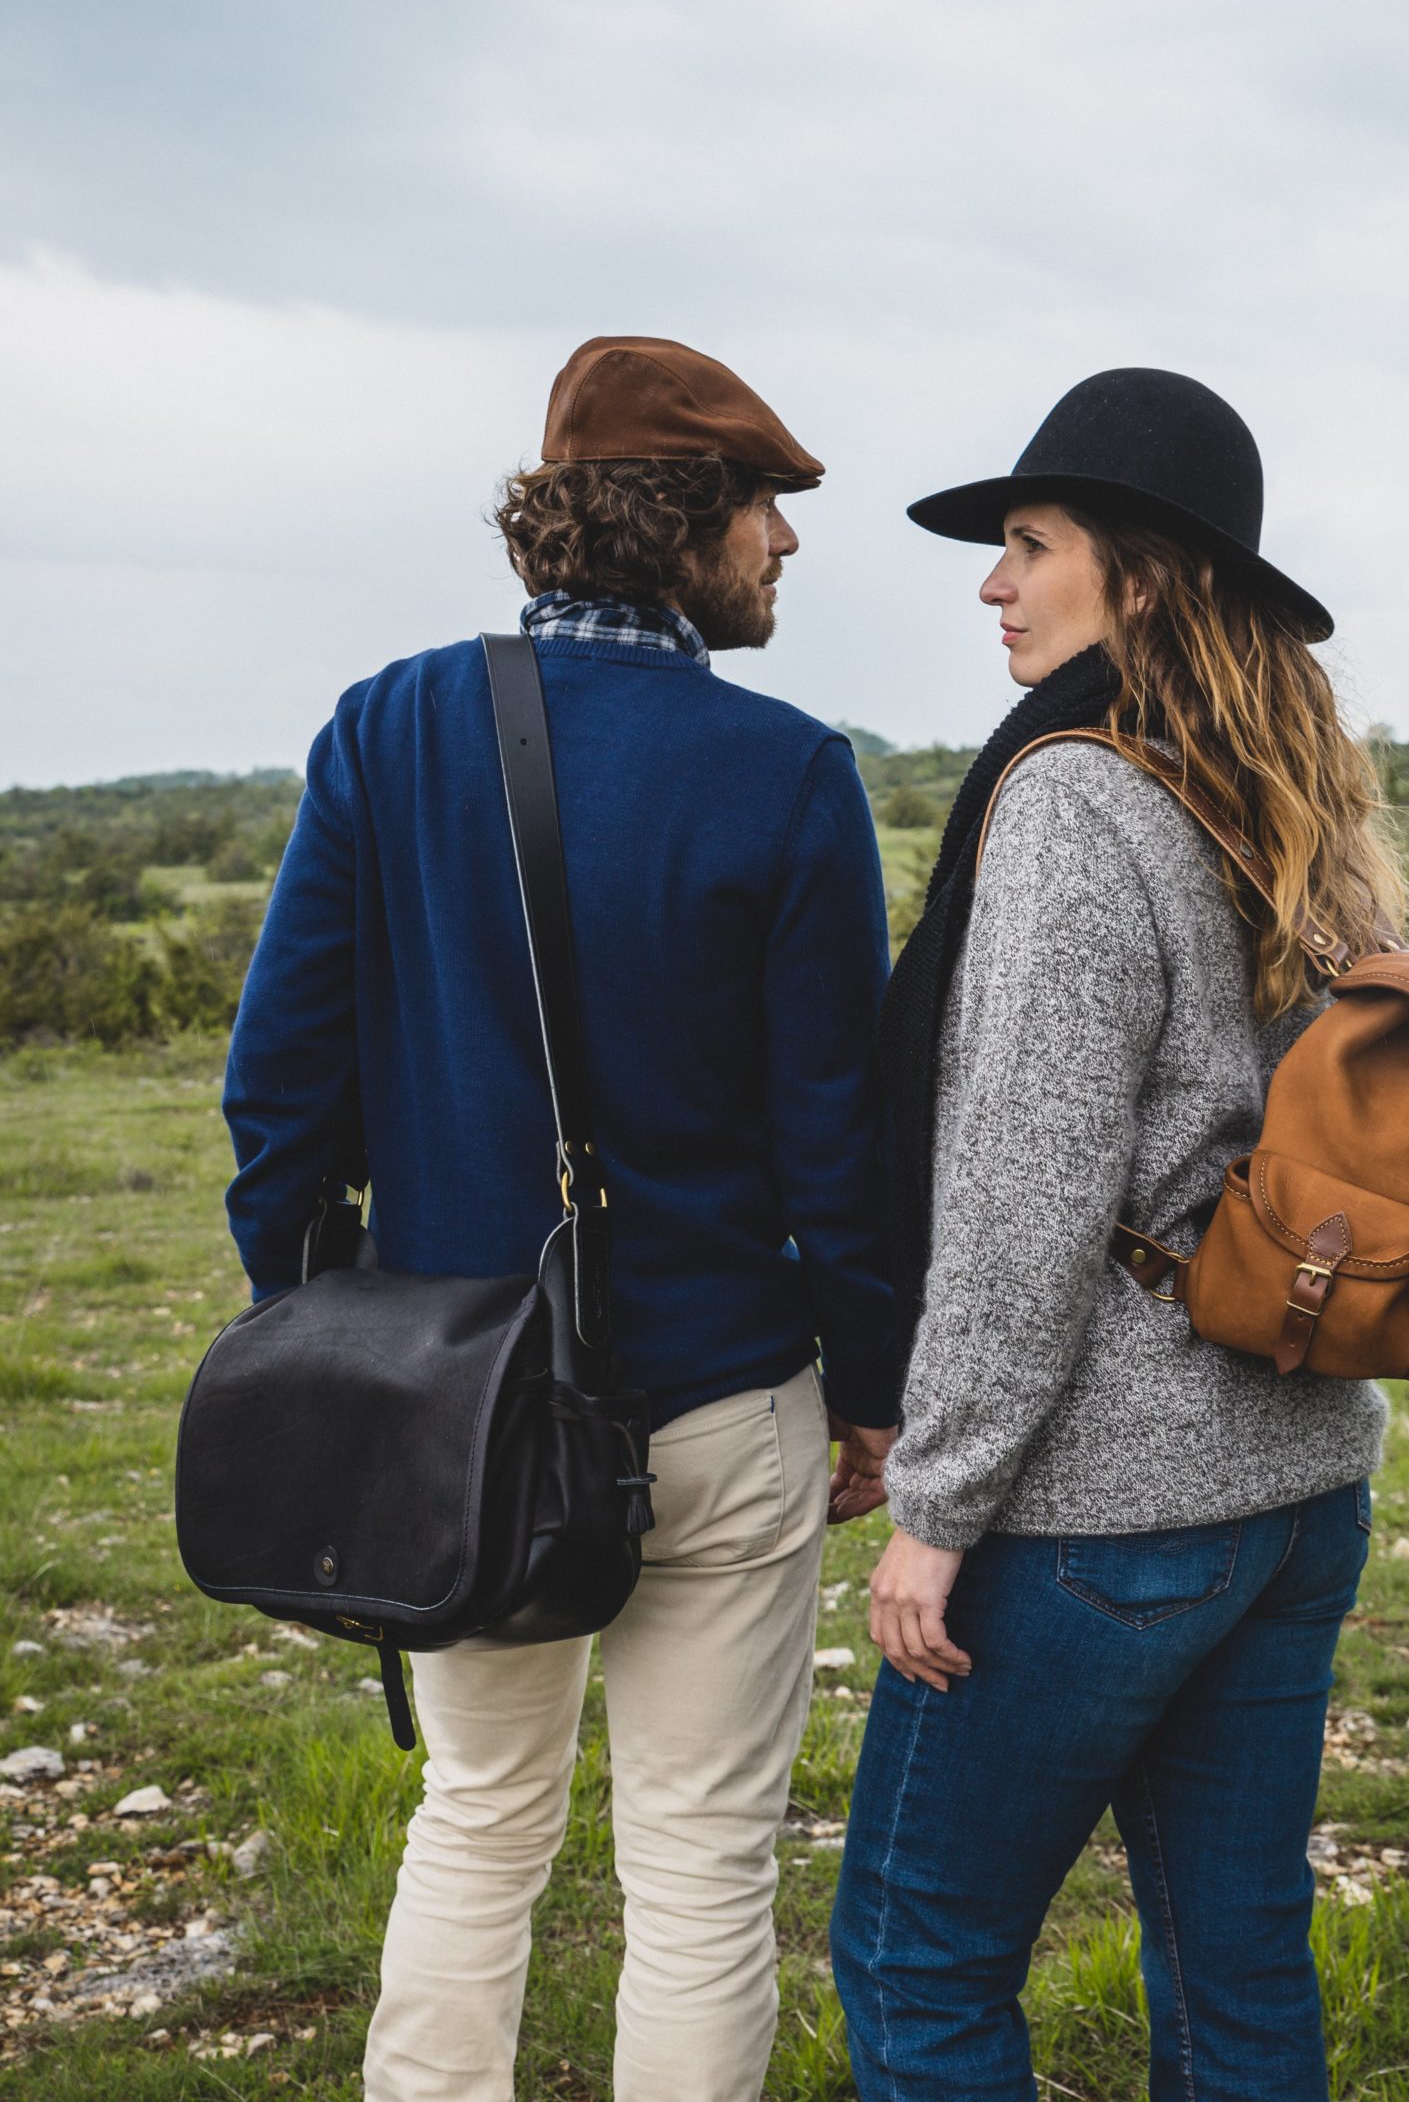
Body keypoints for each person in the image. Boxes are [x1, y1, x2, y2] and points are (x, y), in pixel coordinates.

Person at [222, 335, 899, 2102]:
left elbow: (280, 1093)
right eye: (768, 506)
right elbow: (835, 1139)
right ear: (683, 520)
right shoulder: (786, 772)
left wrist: (319, 1328)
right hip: (723, 1396)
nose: (788, 545)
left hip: (458, 1402)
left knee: (478, 1816)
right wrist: (874, 1387)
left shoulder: (388, 727)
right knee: (695, 1868)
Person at [830, 368, 1409, 2102]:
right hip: (1298, 1482)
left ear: (1137, 576)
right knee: (1234, 1959)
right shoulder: (1279, 796)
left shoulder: (1079, 799)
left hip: (1103, 1512)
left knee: (914, 1959)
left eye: (1027, 543)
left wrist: (935, 1513)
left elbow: (1024, 1193)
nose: (992, 584)